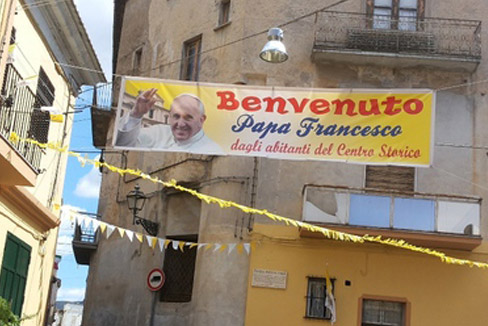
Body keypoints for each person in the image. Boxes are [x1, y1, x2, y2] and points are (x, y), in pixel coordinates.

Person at [115, 89, 223, 154]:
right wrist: (136, 115)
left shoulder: (213, 149)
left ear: (201, 120)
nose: (180, 124)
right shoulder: (158, 132)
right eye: (176, 116)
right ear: (170, 116)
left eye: (188, 118)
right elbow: (123, 144)